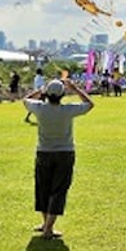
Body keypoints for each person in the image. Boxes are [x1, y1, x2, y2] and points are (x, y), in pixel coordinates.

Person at [23, 79, 94, 239]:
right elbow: (90, 104)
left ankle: (46, 224)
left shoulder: (40, 109)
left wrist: (41, 90)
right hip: (65, 153)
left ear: (47, 94)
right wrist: (75, 89)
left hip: (44, 152)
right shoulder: (68, 110)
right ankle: (49, 227)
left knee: (43, 188)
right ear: (63, 95)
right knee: (58, 190)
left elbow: (25, 100)